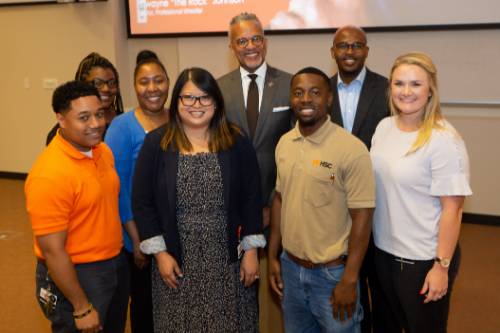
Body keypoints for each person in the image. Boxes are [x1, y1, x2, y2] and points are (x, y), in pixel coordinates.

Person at [132, 67, 265, 332]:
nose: (196, 105)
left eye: (205, 97)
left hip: (228, 261)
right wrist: (159, 255)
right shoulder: (156, 143)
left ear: (216, 102)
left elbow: (252, 197)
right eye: (188, 98)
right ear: (177, 101)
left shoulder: (236, 141)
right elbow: (142, 202)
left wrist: (251, 251)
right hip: (176, 261)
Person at [370, 52, 472, 333]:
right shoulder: (384, 127)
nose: (406, 91)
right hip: (383, 253)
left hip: (422, 260)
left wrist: (441, 267)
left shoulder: (443, 139)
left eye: (415, 84)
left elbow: (453, 209)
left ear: (430, 91)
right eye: (399, 83)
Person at [269, 67, 375, 333]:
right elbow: (280, 199)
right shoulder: (284, 143)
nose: (306, 99)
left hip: (332, 275)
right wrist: (273, 256)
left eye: (315, 92)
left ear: (329, 99)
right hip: (291, 270)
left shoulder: (351, 149)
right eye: (298, 93)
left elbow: (363, 214)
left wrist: (350, 278)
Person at [25, 81, 129, 333]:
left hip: (112, 264)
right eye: (84, 117)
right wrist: (81, 306)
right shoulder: (49, 175)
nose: (96, 123)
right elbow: (53, 252)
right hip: (78, 276)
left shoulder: (102, 151)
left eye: (99, 114)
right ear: (61, 119)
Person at [330, 25, 390, 333]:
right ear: (333, 52)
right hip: (334, 210)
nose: (349, 52)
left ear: (366, 50)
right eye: (343, 46)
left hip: (379, 206)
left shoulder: (388, 90)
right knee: (343, 285)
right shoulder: (320, 92)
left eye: (356, 46)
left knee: (378, 286)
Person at [104, 50, 169, 333]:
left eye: (159, 80)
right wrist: (137, 238)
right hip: (139, 237)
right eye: (144, 82)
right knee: (145, 305)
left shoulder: (179, 118)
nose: (152, 89)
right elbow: (117, 187)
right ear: (134, 86)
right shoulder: (121, 127)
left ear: (169, 82)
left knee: (174, 300)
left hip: (174, 232)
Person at [218, 12, 292, 229]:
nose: (251, 46)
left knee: (275, 263)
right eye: (242, 41)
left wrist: (272, 203)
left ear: (265, 42)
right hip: (231, 206)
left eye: (256, 39)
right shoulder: (218, 89)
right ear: (232, 47)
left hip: (280, 204)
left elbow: (296, 151)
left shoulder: (290, 85)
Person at [46, 52, 125, 145]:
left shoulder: (124, 121)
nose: (106, 89)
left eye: (111, 83)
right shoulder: (64, 132)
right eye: (97, 83)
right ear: (82, 84)